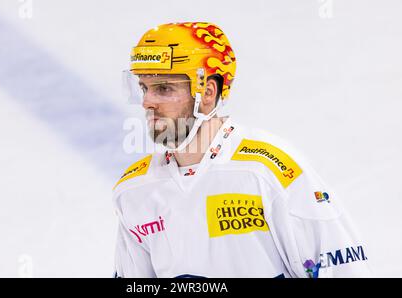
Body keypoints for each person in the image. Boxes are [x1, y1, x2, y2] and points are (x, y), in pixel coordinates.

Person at [112, 22, 371, 278]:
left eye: (163, 88)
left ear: (208, 92)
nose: (147, 102)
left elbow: (343, 270)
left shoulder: (270, 172)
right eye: (144, 88)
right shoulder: (133, 190)